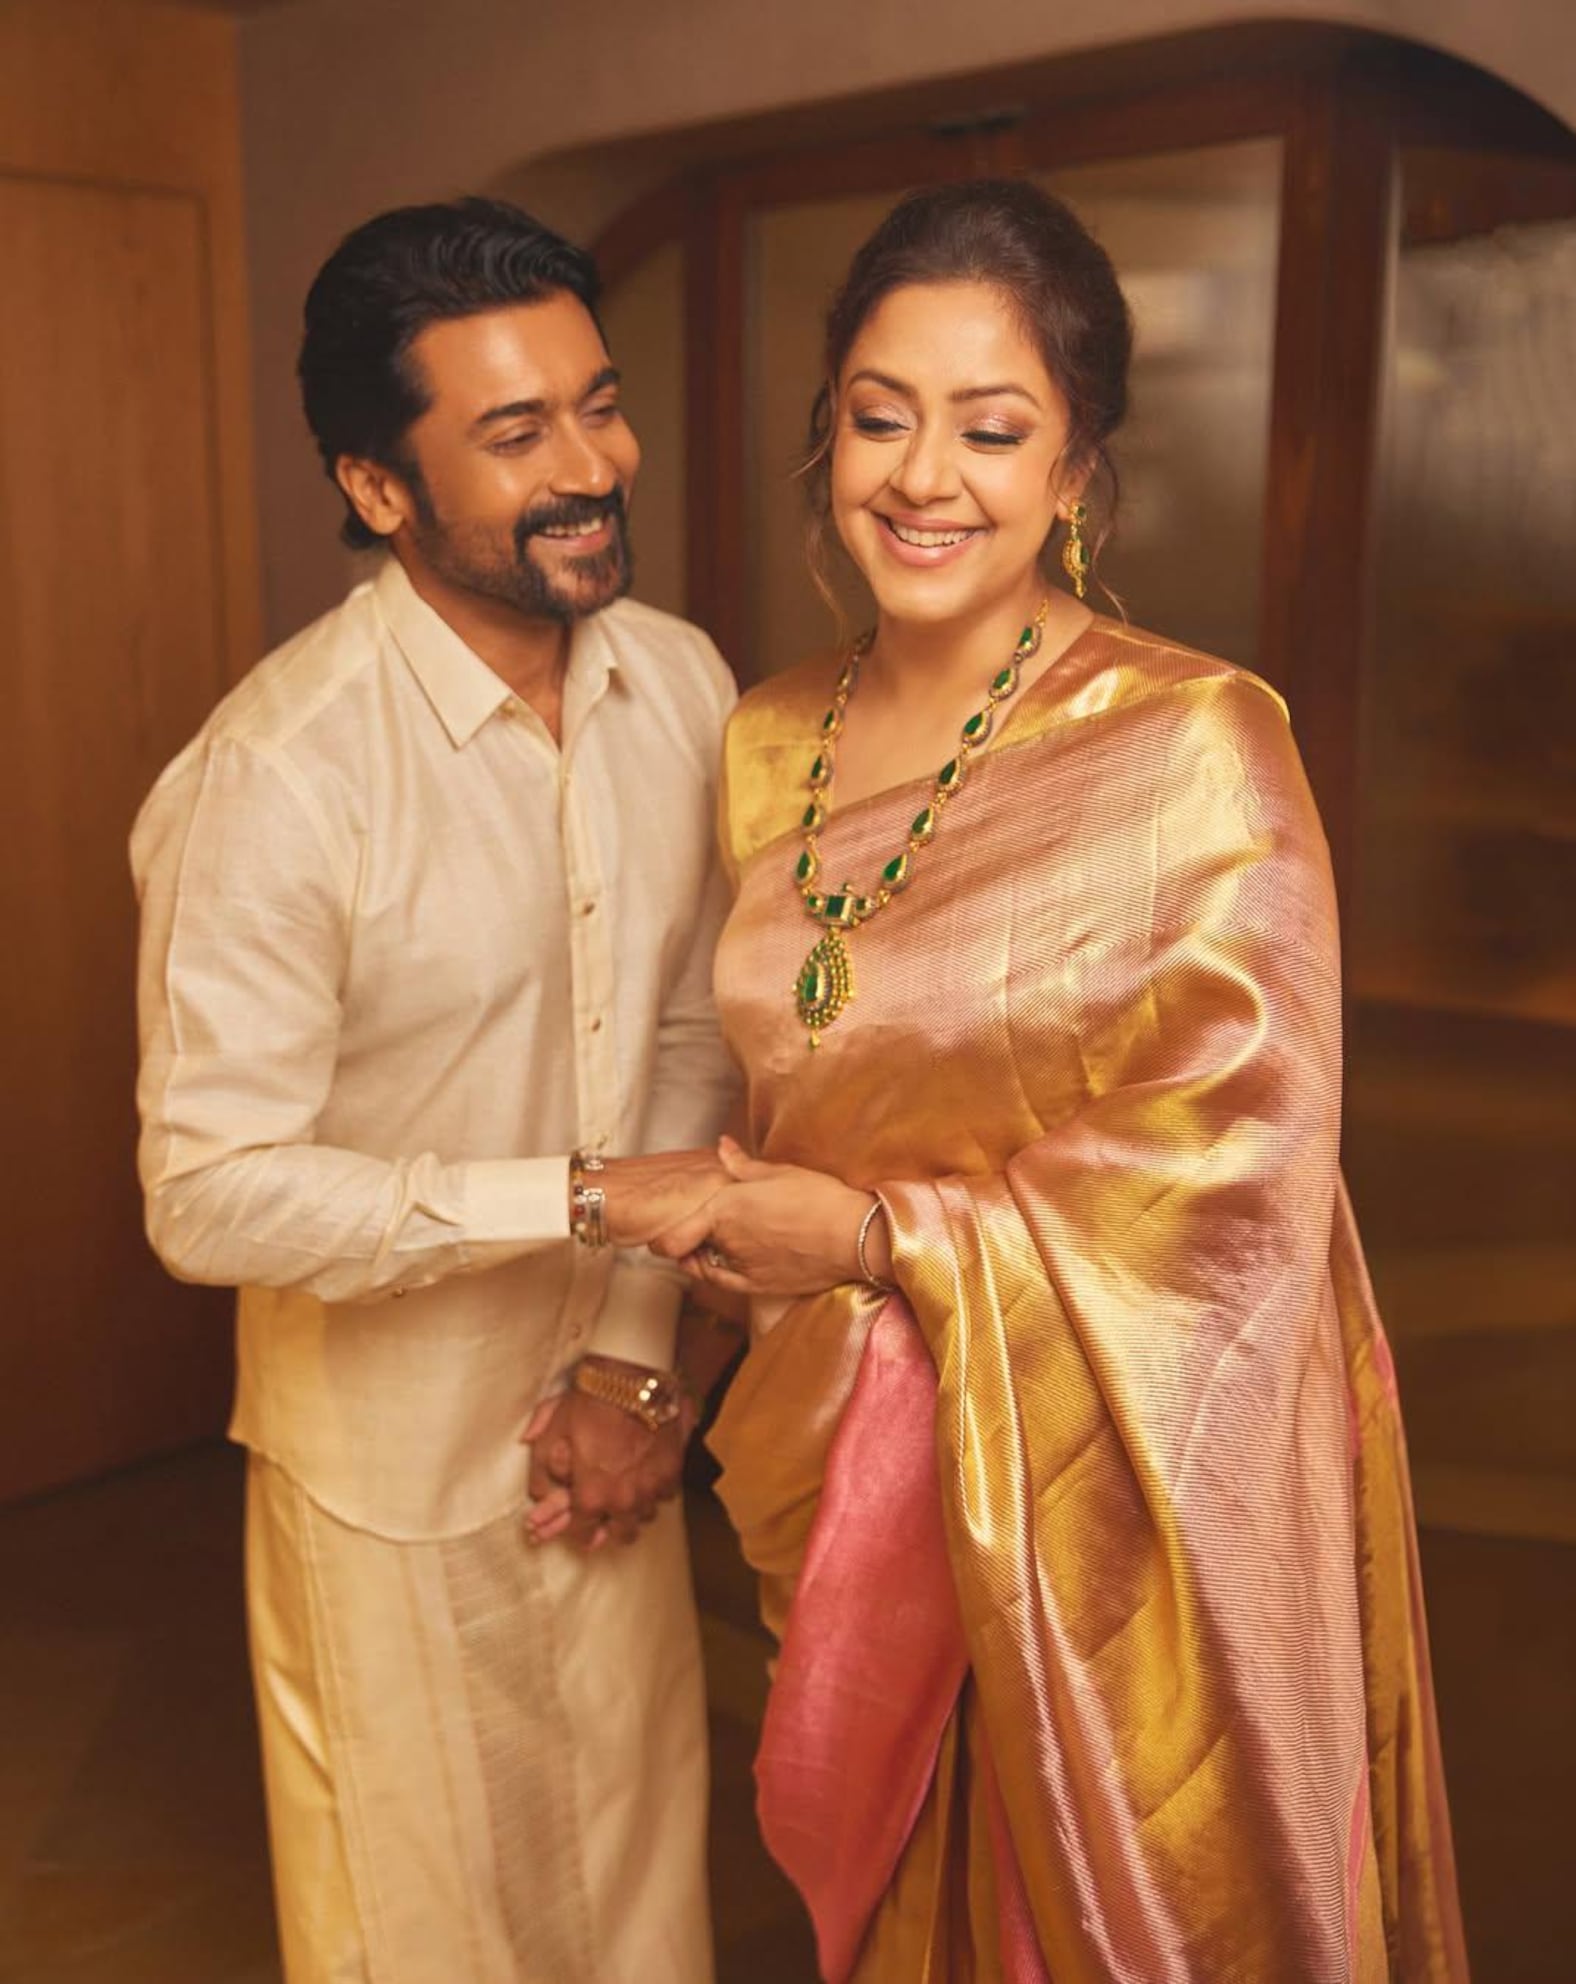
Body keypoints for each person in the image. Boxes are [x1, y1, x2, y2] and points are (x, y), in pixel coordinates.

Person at [647, 180, 1469, 1981]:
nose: (923, 477)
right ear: (827, 431)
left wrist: (884, 1240)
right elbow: (787, 1086)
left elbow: (1238, 1179)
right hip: (842, 1481)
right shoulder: (767, 736)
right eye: (880, 417)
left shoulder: (1193, 743)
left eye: (992, 428)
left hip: (1101, 1515)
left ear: (1078, 466)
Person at [132, 199, 739, 1984]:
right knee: (427, 1937)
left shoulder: (680, 682)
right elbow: (206, 1191)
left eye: (598, 405)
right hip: (386, 1480)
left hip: (610, 1434)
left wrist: (633, 1358)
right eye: (516, 433)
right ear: (376, 486)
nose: (592, 468)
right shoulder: (279, 777)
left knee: (640, 1919)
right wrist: (583, 1200)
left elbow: (688, 1033)